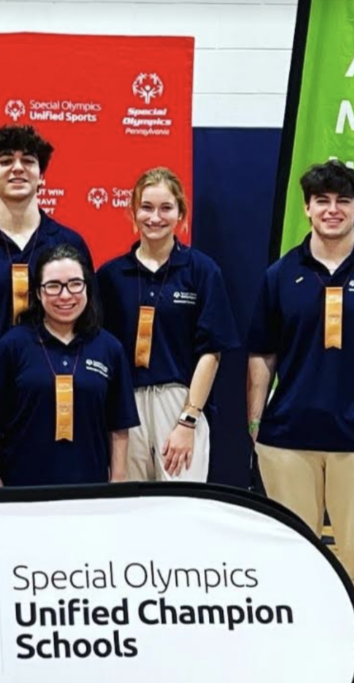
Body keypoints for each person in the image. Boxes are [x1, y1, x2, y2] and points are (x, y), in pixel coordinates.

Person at [247, 160, 354, 683]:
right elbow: (261, 357)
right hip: (287, 440)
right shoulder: (280, 275)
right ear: (307, 208)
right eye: (322, 201)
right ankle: (297, 642)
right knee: (293, 549)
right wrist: (255, 423)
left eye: (342, 201)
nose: (332, 210)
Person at [97, 167, 238, 482]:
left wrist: (188, 421)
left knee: (181, 509)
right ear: (133, 212)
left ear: (181, 214)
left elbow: (211, 352)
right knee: (128, 509)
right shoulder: (110, 276)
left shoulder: (202, 271)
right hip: (125, 407)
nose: (155, 217)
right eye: (146, 207)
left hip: (179, 403)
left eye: (166, 208)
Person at [0, 244, 137, 487]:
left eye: (75, 284)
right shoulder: (12, 345)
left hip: (90, 487)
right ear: (37, 292)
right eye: (53, 286)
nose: (65, 296)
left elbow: (119, 425)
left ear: (87, 287)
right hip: (22, 488)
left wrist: (118, 478)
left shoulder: (109, 348)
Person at [0, 124, 93, 346]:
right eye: (5, 161)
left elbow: (90, 321)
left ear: (41, 176)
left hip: (52, 377)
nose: (17, 168)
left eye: (28, 161)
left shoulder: (70, 243)